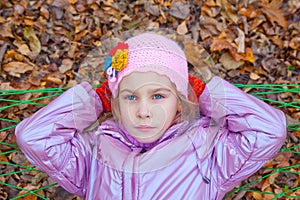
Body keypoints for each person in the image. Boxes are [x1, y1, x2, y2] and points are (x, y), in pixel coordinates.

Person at [15, 33, 286, 199]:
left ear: (180, 103)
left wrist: (205, 93)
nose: (143, 112)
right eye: (130, 97)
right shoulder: (93, 154)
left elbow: (268, 129)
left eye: (159, 96)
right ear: (115, 103)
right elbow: (33, 136)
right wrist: (94, 100)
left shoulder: (207, 152)